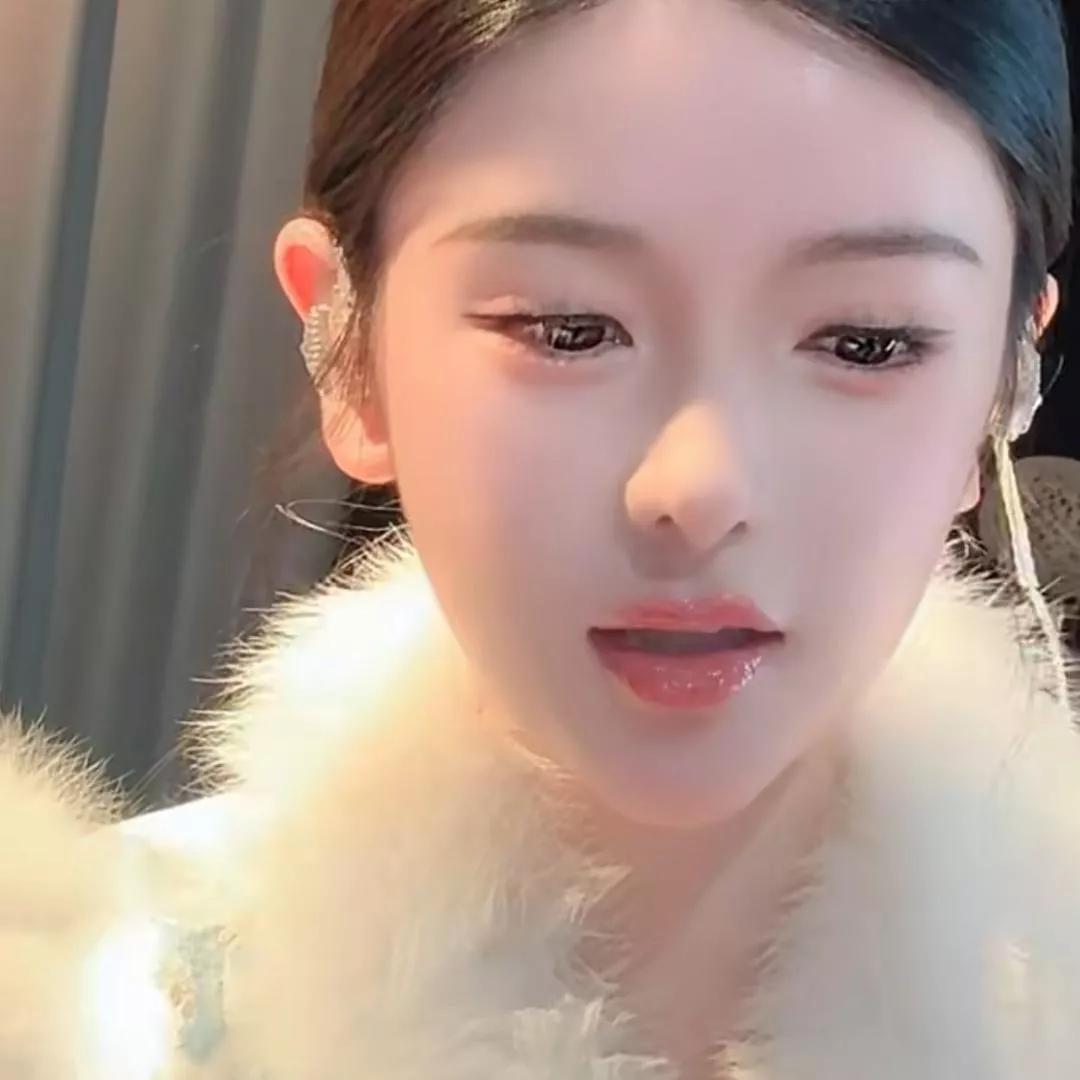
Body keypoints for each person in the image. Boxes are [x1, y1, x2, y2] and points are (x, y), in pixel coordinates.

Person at [2, 0, 1079, 1076]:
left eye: (865, 342)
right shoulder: (88, 1021)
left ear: (1005, 383)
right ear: (344, 345)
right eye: (569, 330)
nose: (699, 487)